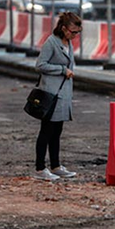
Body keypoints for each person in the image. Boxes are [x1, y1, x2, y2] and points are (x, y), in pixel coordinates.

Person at [33, 12, 82, 181]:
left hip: (63, 94)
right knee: (46, 131)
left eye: (78, 32)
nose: (75, 36)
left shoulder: (68, 43)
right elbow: (40, 65)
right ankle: (40, 168)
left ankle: (55, 166)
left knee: (57, 131)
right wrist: (61, 70)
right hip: (51, 93)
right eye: (73, 32)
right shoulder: (51, 43)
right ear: (63, 28)